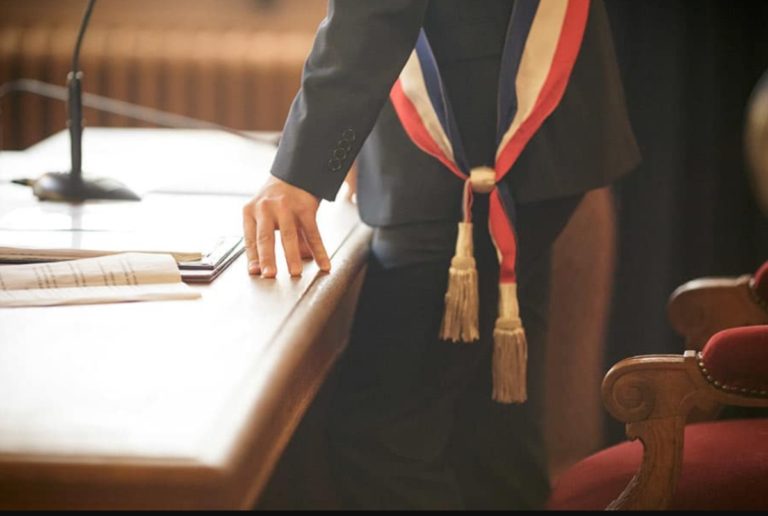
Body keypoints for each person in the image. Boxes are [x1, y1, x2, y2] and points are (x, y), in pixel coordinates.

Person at [242, 0, 639, 510]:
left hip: (477, 141)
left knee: (380, 440)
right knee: (487, 435)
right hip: (503, 133)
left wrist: (301, 171)